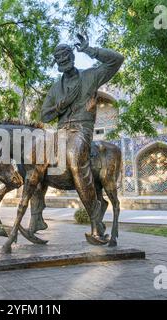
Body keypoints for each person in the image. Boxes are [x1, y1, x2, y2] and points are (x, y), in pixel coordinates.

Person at [41, 34, 124, 243]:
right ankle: (35, 219)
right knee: (33, 165)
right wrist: (61, 104)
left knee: (76, 160)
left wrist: (90, 49)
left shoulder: (90, 76)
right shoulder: (55, 88)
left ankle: (96, 224)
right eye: (59, 58)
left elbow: (117, 60)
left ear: (72, 56)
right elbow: (44, 115)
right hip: (61, 133)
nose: (63, 60)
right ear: (56, 62)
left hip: (81, 130)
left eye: (66, 56)